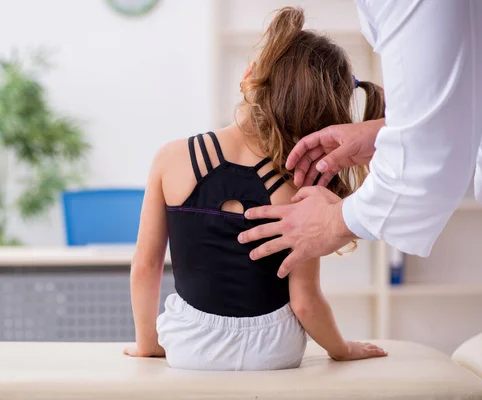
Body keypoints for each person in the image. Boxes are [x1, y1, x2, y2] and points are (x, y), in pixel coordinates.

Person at [123, 7, 387, 370]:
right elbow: (305, 302)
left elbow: (146, 266)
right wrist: (342, 350)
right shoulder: (301, 182)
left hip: (189, 344)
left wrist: (147, 345)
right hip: (275, 348)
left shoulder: (170, 159)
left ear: (249, 77)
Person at [239, 0, 482, 278]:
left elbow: (424, 169)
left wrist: (332, 222)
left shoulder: (185, 154)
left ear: (249, 77)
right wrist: (383, 135)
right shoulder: (291, 194)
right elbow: (460, 109)